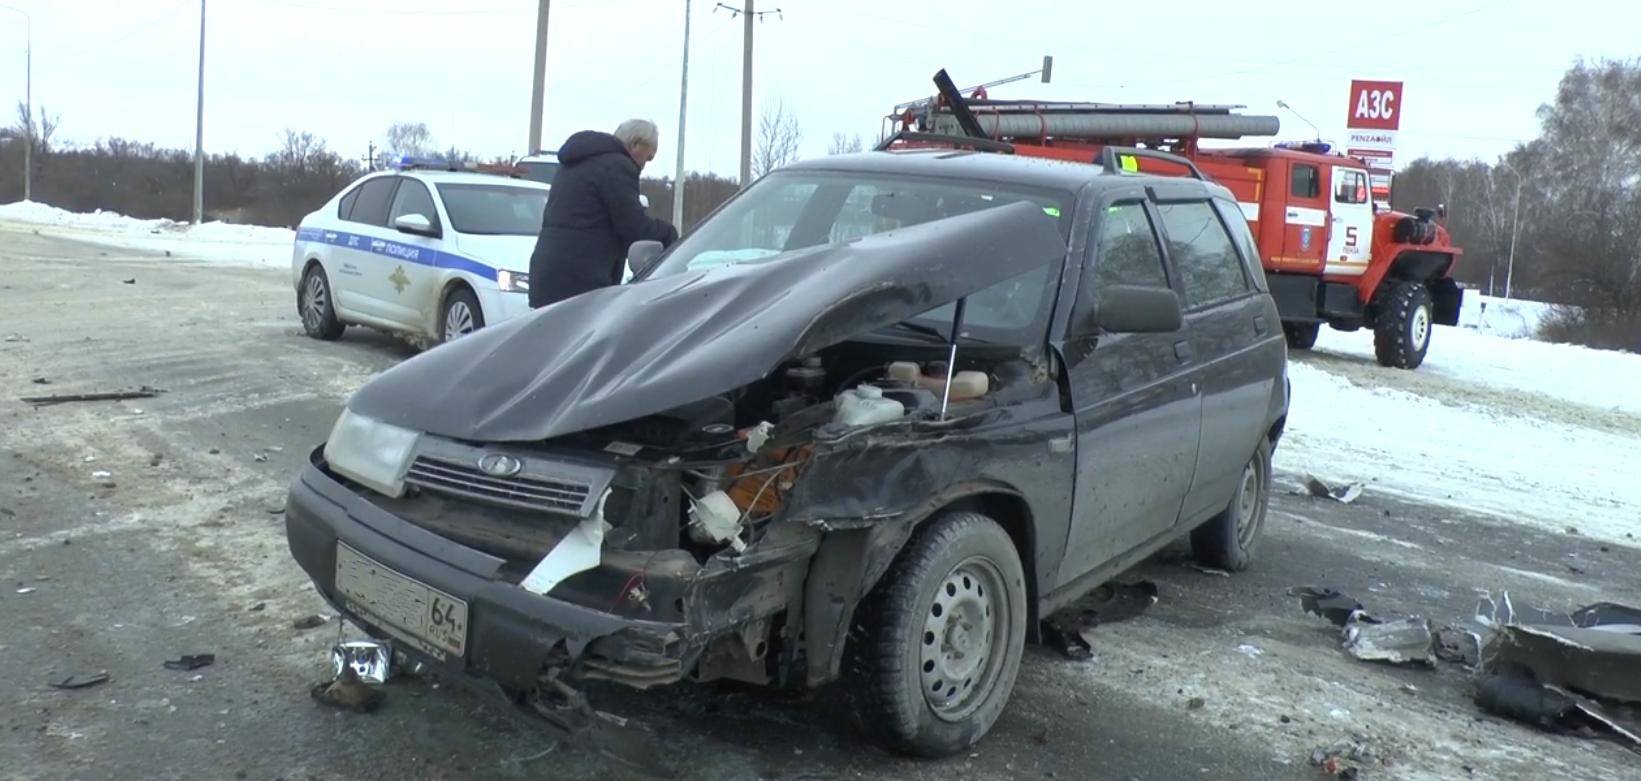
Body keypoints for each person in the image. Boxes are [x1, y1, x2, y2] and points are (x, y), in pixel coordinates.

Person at [528, 119, 680, 308]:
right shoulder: (618, 166)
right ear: (635, 145)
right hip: (583, 279)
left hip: (547, 273)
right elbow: (632, 226)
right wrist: (668, 233)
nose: (643, 166)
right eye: (647, 158)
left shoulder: (574, 162)